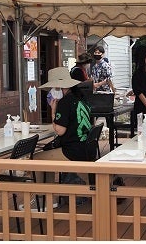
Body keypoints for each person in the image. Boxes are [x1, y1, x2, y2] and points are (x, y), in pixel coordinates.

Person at [35, 70, 95, 204]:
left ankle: (42, 200)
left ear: (60, 87)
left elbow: (60, 130)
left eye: (54, 88)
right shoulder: (82, 97)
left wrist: (53, 110)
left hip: (73, 151)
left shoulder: (64, 102)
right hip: (87, 147)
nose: (52, 92)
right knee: (46, 157)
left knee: (37, 159)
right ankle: (49, 199)